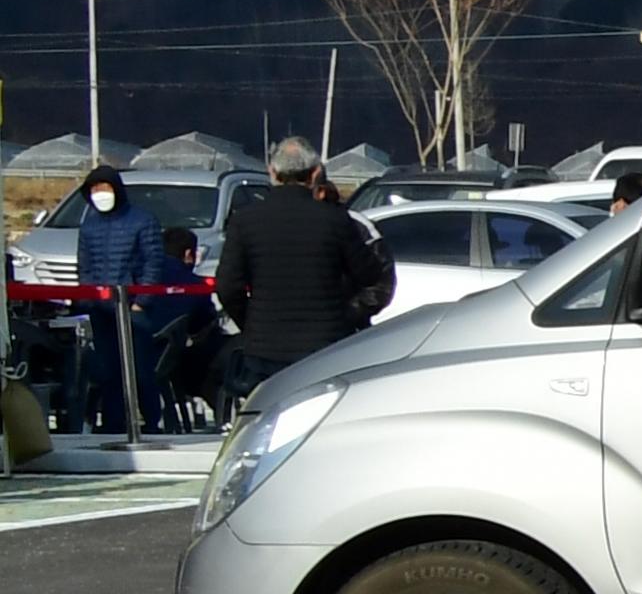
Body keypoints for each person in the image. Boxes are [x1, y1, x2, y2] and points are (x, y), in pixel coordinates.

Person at [212, 140, 394, 401]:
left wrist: (250, 323)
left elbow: (228, 286)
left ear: (272, 172)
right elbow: (370, 276)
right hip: (325, 343)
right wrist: (344, 314)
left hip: (265, 345)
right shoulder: (335, 220)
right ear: (315, 173)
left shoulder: (245, 220)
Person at [63, 164, 167, 437]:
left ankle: (151, 420)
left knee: (140, 368)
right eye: (95, 189)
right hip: (101, 309)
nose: (100, 194)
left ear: (116, 189)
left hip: (133, 308)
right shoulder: (89, 225)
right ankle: (113, 422)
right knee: (108, 369)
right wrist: (87, 299)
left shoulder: (143, 220)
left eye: (105, 188)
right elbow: (84, 267)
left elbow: (153, 262)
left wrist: (141, 301)